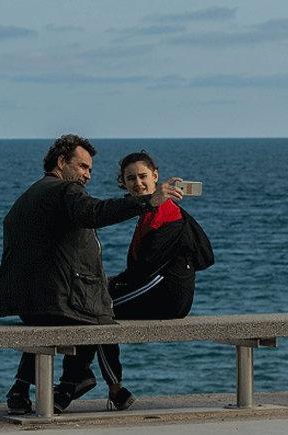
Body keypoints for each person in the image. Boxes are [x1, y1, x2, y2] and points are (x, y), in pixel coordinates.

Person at [0, 135, 181, 415]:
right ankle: (79, 381)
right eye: (82, 167)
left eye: (89, 170)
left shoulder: (28, 196)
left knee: (74, 310)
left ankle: (20, 388)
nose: (87, 175)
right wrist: (147, 201)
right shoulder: (65, 191)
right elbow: (95, 212)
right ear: (61, 162)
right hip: (56, 301)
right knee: (101, 312)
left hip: (27, 303)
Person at [97, 150, 215, 411]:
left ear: (156, 177)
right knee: (94, 308)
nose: (138, 183)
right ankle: (106, 387)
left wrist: (113, 284)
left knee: (97, 311)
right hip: (163, 292)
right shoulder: (149, 211)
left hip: (166, 295)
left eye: (142, 176)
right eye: (131, 179)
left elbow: (146, 267)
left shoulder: (166, 212)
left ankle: (106, 386)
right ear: (123, 183)